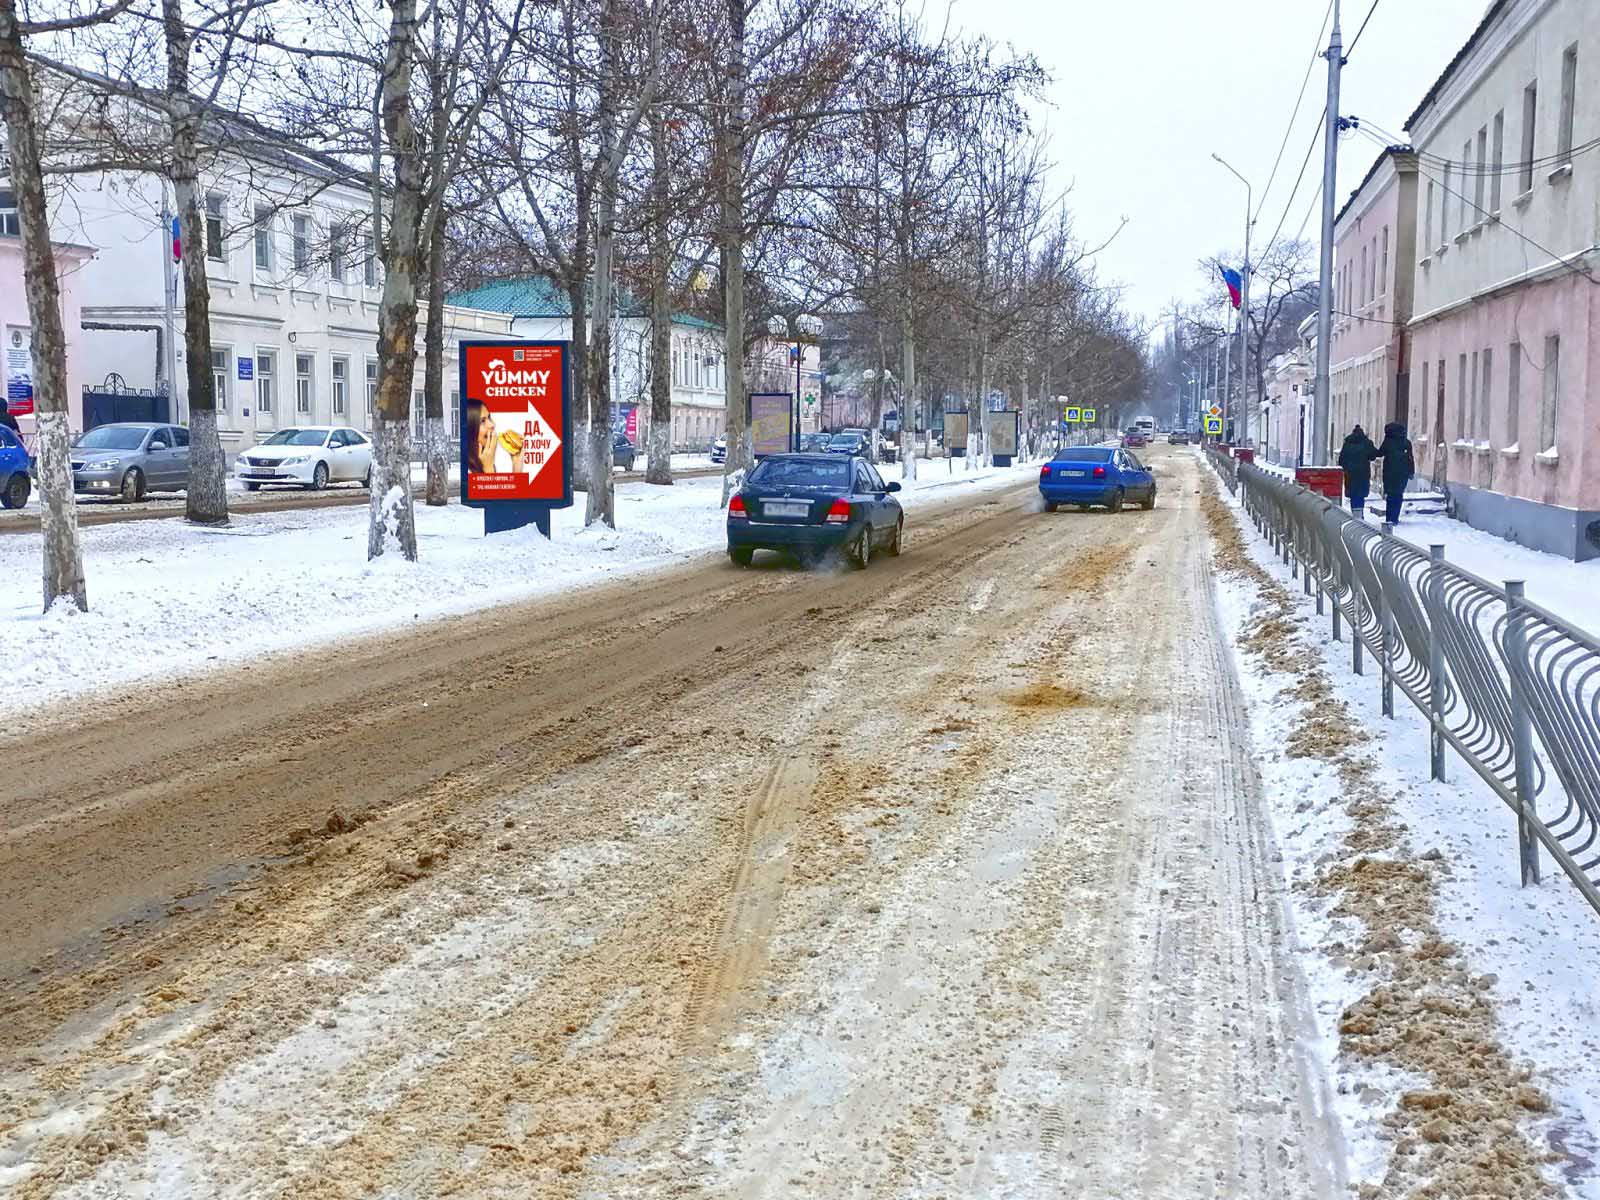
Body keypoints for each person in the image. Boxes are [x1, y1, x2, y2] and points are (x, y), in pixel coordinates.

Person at [1374, 421, 1415, 525]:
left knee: (1390, 495)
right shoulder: (1406, 442)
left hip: (1389, 473)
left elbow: (1380, 453)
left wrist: (1371, 450)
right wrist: (1411, 471)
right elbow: (1411, 458)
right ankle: (1395, 518)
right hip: (1403, 473)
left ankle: (1389, 518)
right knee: (1398, 494)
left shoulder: (1388, 441)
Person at [1336, 424, 1378, 517]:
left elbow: (1341, 459)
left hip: (1350, 473)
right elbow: (1373, 456)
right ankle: (1359, 514)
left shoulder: (1347, 443)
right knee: (1360, 495)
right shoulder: (1366, 443)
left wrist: (1346, 467)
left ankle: (1355, 514)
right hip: (1363, 473)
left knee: (1353, 494)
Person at [464, 399, 497, 474]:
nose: (492, 424)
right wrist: (489, 470)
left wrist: (516, 464)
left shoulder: (486, 460)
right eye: (482, 421)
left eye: (489, 417)